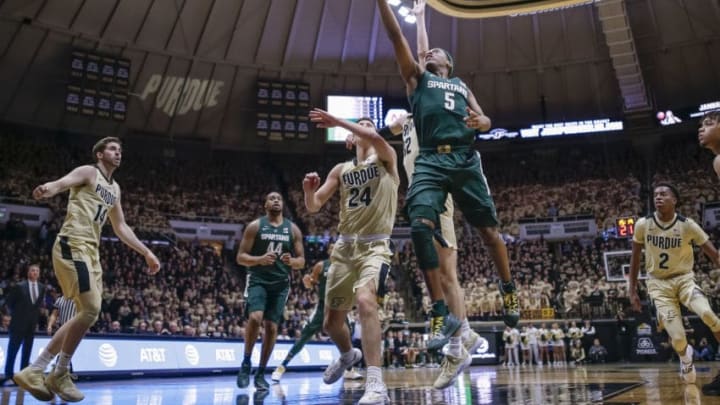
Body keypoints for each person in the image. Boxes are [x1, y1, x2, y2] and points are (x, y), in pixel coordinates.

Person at [376, 0, 519, 388]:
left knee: (453, 267)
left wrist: (484, 121)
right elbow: (404, 43)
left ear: (448, 64)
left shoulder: (452, 85)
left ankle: (460, 341)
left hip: (456, 165)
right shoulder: (413, 98)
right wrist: (420, 16)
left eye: (435, 52)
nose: (428, 52)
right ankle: (457, 329)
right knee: (431, 250)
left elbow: (486, 119)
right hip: (429, 176)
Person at [14, 137, 161, 403]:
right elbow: (62, 183)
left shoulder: (115, 189)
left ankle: (37, 370)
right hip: (73, 244)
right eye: (113, 149)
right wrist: (47, 189)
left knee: (88, 313)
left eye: (120, 150)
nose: (118, 153)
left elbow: (121, 227)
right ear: (99, 153)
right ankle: (57, 373)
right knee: (90, 309)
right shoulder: (89, 172)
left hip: (92, 253)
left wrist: (146, 252)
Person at [304, 108, 398, 404]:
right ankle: (348, 355)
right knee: (331, 324)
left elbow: (372, 136)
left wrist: (341, 122)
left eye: (369, 125)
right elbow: (314, 206)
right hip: (344, 248)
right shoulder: (341, 170)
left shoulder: (386, 158)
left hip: (375, 246)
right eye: (361, 125)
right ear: (350, 139)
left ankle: (375, 384)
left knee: (366, 301)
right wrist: (309, 191)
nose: (366, 128)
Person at [629, 183, 720, 386]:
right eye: (655, 195)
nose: (658, 197)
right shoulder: (643, 224)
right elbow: (634, 259)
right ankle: (685, 357)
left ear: (674, 200)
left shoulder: (687, 225)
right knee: (678, 339)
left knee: (708, 315)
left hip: (684, 280)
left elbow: (714, 255)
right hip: (658, 285)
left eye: (663, 194)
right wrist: (632, 290)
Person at [236, 192, 305, 391]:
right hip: (258, 280)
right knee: (256, 318)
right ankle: (246, 362)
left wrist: (291, 262)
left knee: (272, 328)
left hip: (281, 284)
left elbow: (301, 261)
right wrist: (259, 259)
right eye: (271, 198)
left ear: (282, 204)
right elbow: (240, 257)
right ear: (265, 204)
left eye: (279, 198)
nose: (276, 200)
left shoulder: (292, 229)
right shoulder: (255, 226)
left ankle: (260, 373)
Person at [271, 243, 362, 382]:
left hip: (340, 307)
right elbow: (310, 283)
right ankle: (281, 367)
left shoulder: (346, 266)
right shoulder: (321, 266)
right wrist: (307, 281)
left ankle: (349, 370)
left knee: (346, 338)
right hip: (322, 308)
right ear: (328, 251)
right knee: (303, 338)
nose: (334, 250)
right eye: (331, 248)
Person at [2, 264, 46, 385]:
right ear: (28, 272)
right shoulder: (19, 286)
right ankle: (8, 376)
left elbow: (37, 306)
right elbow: (9, 303)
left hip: (31, 325)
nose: (35, 272)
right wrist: (17, 315)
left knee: (27, 352)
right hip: (17, 324)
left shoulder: (42, 287)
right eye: (33, 270)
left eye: (37, 270)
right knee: (12, 351)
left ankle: (23, 376)